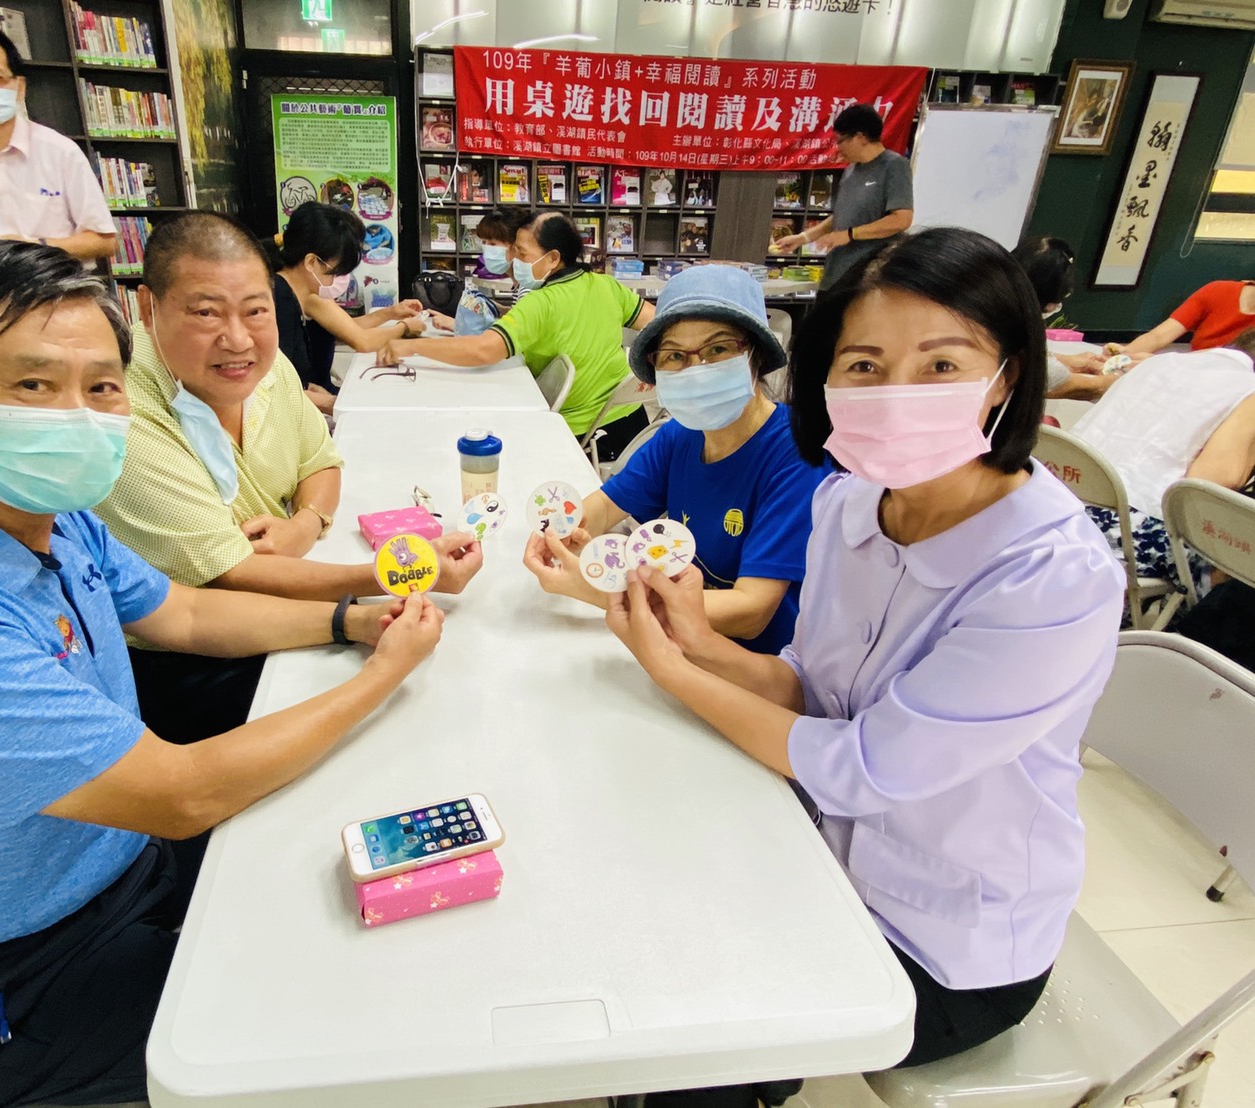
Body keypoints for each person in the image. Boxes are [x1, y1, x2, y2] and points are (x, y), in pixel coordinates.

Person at [0, 240, 445, 1108]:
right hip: (9, 981)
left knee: (370, 853)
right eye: (31, 386)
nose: (78, 417)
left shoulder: (44, 514)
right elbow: (179, 793)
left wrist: (349, 621)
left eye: (99, 388)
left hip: (119, 866)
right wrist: (381, 674)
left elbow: (188, 613)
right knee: (371, 1021)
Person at [602, 227, 1125, 1105]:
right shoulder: (849, 503)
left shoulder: (1052, 580)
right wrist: (697, 638)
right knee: (642, 886)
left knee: (690, 1023)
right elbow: (810, 682)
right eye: (865, 366)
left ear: (1009, 376)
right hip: (818, 857)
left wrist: (678, 672)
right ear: (823, 379)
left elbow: (866, 767)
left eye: (942, 365)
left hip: (943, 943)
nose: (897, 394)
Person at [93, 211, 482, 742]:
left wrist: (304, 522)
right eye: (206, 312)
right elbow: (230, 573)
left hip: (295, 608)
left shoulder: (265, 363)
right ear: (147, 305)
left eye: (256, 310)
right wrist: (401, 572)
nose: (237, 339)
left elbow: (322, 461)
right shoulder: (124, 416)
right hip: (194, 662)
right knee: (410, 722)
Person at [523, 265, 828, 655]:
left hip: (751, 665)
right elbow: (602, 508)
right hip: (677, 642)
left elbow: (751, 613)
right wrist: (564, 532)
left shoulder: (798, 454)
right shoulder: (679, 436)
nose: (696, 369)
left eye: (719, 349)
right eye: (674, 355)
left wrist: (601, 588)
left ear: (756, 355)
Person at [376, 210, 658, 460]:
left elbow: (482, 351)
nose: (515, 259)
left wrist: (412, 348)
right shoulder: (607, 285)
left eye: (522, 254)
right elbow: (657, 321)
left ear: (553, 258)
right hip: (634, 423)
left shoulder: (540, 302)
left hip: (579, 436)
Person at [1070, 331, 1255, 604]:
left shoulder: (1159, 363)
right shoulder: (1248, 390)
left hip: (1056, 496)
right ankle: (1185, 636)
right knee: (1235, 555)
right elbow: (1210, 484)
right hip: (1125, 532)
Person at [0, 22, 116, 262]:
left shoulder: (60, 151)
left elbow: (106, 242)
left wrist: (38, 246)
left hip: (55, 282)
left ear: (19, 86)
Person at [265, 201, 434, 415]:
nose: (336, 279)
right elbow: (274, 387)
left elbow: (346, 328)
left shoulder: (295, 292)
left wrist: (391, 313)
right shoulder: (279, 302)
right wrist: (332, 403)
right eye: (334, 271)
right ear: (311, 262)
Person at [770, 104, 913, 290]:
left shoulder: (894, 166)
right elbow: (842, 215)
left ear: (860, 137)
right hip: (835, 274)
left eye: (840, 140)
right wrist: (803, 238)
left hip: (867, 278)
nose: (837, 148)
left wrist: (850, 234)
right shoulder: (850, 170)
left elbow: (902, 219)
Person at [1011, 235, 1120, 401]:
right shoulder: (1018, 332)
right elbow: (1092, 388)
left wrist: (1072, 362)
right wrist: (1119, 375)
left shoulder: (993, 307)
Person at [1106, 279, 1255, 357]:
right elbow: (1158, 336)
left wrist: (1165, 362)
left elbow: (1233, 359)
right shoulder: (1218, 291)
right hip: (1191, 374)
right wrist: (1124, 354)